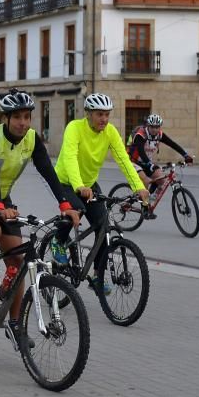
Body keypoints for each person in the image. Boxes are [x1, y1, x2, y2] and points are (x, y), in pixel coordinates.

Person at [0, 89, 80, 342]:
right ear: (6, 118)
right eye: (17, 117)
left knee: (19, 262)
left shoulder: (32, 140)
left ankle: (14, 324)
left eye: (27, 117)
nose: (23, 122)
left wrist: (65, 205)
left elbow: (49, 174)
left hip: (2, 198)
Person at [52, 93, 150, 290]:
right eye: (99, 114)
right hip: (66, 182)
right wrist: (79, 186)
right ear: (88, 114)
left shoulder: (110, 132)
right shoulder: (74, 128)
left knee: (102, 226)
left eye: (107, 114)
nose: (104, 119)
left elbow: (123, 159)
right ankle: (58, 241)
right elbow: (70, 158)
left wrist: (138, 187)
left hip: (89, 184)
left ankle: (97, 276)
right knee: (76, 210)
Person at [128, 113, 194, 201]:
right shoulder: (141, 135)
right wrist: (149, 164)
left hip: (147, 163)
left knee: (162, 180)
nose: (155, 130)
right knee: (146, 181)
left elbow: (172, 144)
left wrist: (185, 155)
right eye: (152, 127)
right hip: (134, 162)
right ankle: (143, 206)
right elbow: (141, 152)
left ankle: (150, 200)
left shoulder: (160, 135)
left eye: (157, 127)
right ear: (148, 126)